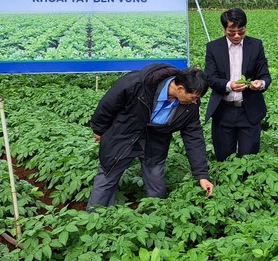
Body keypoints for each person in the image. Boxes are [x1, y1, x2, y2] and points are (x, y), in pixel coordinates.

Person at [87, 64, 214, 210]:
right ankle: (94, 217)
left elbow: (194, 137)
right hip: (124, 136)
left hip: (155, 143)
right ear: (180, 89)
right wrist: (99, 129)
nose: (195, 102)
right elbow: (108, 104)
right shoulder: (137, 84)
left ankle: (154, 221)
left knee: (156, 184)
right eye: (193, 97)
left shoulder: (190, 106)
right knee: (107, 177)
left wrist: (201, 175)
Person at [205, 8, 271, 161]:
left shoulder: (255, 45)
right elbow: (210, 78)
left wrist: (259, 84)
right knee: (223, 158)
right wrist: (229, 85)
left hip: (249, 111)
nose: (236, 36)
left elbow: (265, 76)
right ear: (224, 29)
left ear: (245, 28)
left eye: (240, 32)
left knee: (249, 159)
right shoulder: (213, 48)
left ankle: (247, 184)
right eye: (231, 32)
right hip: (223, 111)